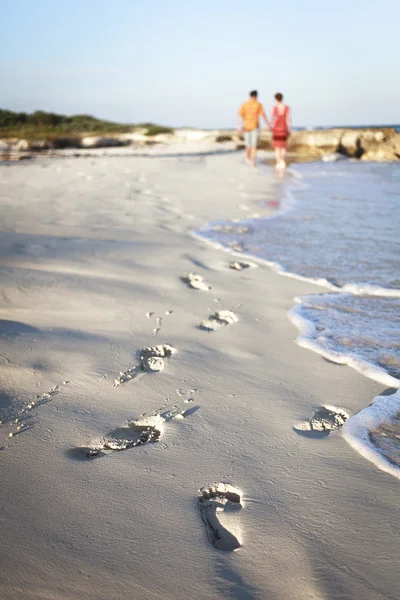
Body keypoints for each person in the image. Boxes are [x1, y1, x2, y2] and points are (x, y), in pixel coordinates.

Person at [238, 90, 269, 167]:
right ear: (256, 96)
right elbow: (263, 115)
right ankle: (252, 161)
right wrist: (268, 124)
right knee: (254, 145)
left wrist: (239, 126)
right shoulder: (258, 104)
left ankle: (248, 158)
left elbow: (240, 116)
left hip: (246, 127)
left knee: (248, 145)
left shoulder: (245, 104)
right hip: (254, 127)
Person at [270, 93, 291, 169]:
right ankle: (282, 160)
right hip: (284, 128)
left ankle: (278, 162)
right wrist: (289, 129)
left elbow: (272, 119)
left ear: (276, 99)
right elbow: (288, 119)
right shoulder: (286, 108)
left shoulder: (275, 108)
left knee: (277, 147)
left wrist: (269, 126)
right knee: (283, 146)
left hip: (276, 129)